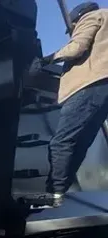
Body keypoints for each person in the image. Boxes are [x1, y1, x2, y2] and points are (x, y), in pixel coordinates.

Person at [32, 2, 108, 207]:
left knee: (61, 143)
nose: (73, 30)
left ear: (77, 18)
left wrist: (47, 59)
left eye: (72, 27)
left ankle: (54, 194)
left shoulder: (92, 17)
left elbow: (77, 48)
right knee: (80, 142)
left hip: (87, 86)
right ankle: (60, 192)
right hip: (103, 91)